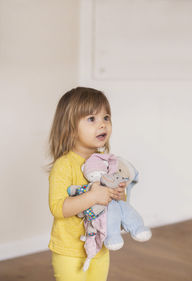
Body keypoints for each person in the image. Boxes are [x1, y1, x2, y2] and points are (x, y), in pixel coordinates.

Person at [47, 87, 126, 281]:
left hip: (100, 246)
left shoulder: (106, 162)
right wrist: (92, 196)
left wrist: (118, 194)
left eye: (106, 118)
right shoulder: (64, 165)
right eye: (92, 119)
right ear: (70, 127)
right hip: (69, 250)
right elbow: (58, 208)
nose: (102, 125)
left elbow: (116, 205)